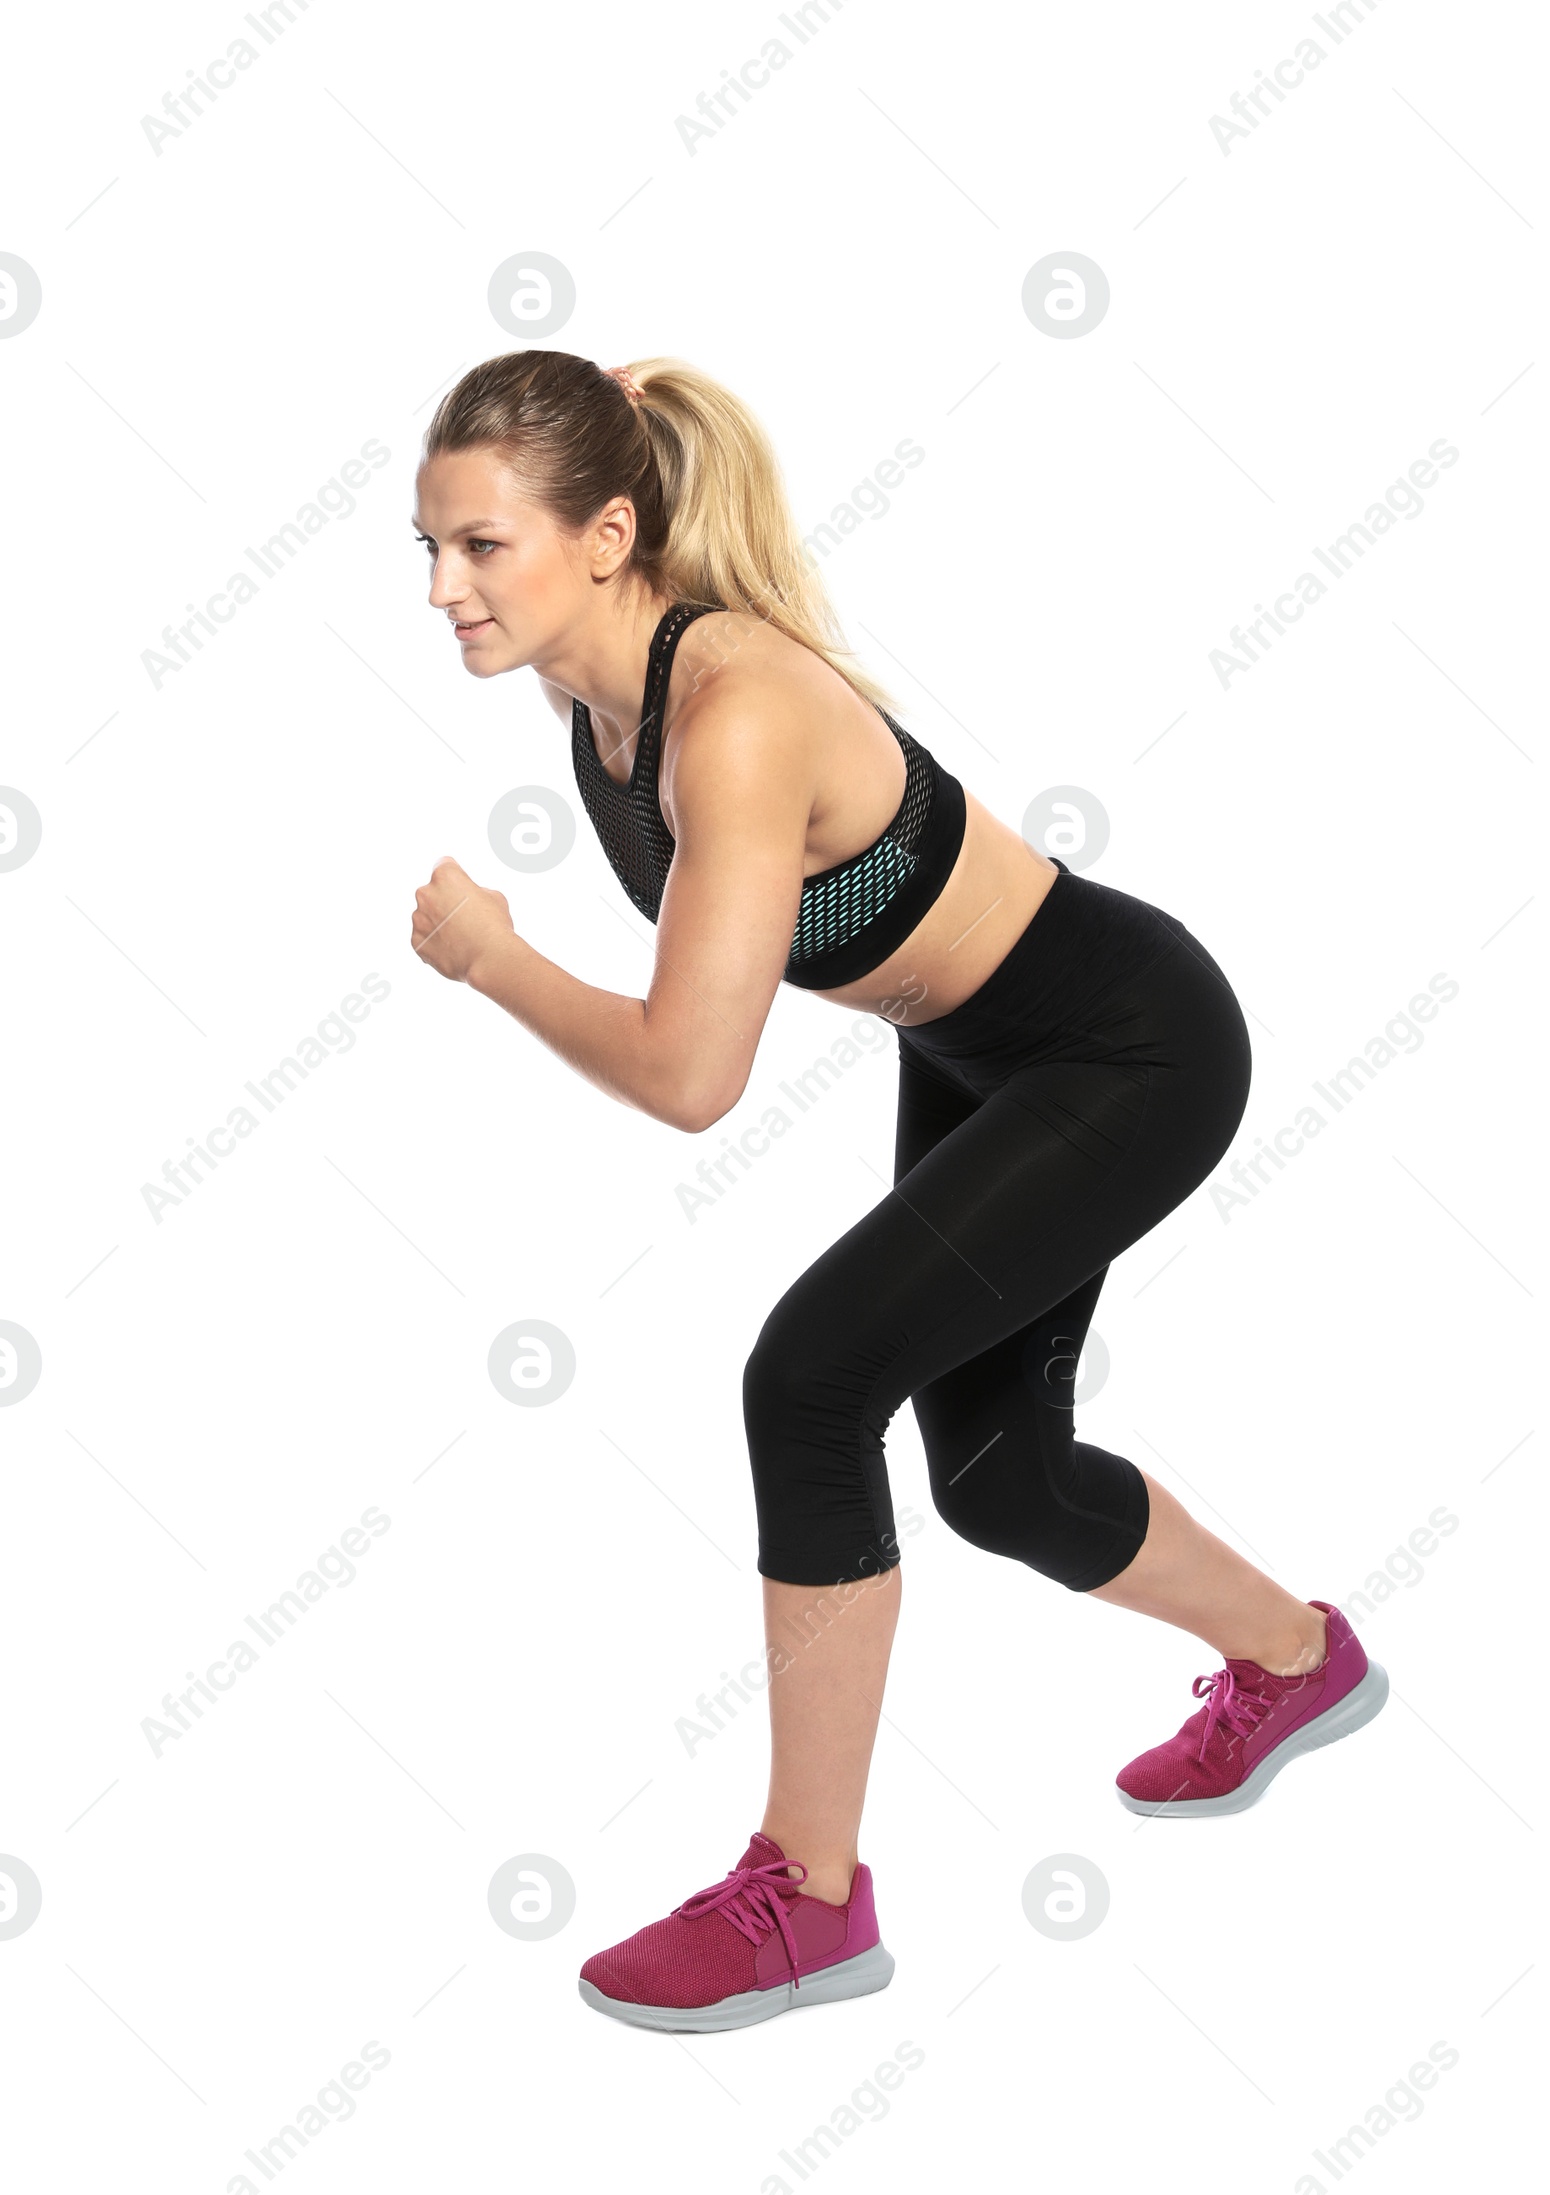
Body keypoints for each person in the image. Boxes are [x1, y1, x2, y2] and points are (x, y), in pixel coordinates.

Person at [408, 350, 1388, 2035]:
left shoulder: (734, 717)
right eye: (428, 545)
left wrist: (497, 962)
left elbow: (690, 1076)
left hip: (1130, 1048)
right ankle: (1304, 1662)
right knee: (1002, 1480)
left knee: (811, 1381)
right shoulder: (600, 701)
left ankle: (809, 1896)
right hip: (978, 1048)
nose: (442, 588)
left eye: (482, 545)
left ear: (605, 535)